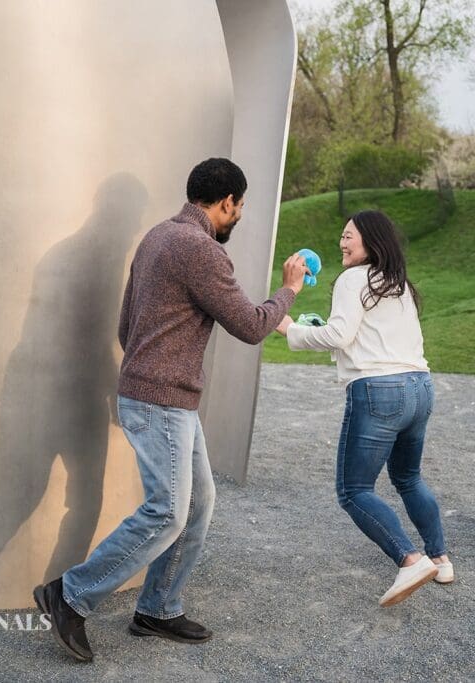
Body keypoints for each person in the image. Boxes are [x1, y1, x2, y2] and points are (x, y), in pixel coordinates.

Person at [34, 158, 309, 661]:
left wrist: (148, 366)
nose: (239, 215)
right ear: (227, 201)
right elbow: (250, 325)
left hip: (155, 394)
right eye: (240, 207)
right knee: (167, 512)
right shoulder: (199, 249)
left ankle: (158, 608)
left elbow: (125, 327)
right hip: (163, 399)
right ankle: (69, 595)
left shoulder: (157, 237)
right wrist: (289, 288)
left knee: (198, 504)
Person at [275, 210, 452, 607]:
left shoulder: (353, 278)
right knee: (408, 478)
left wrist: (290, 329)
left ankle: (410, 559)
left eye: (349, 236)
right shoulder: (397, 283)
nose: (342, 242)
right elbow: (361, 338)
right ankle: (439, 557)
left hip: (379, 392)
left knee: (354, 490)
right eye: (342, 236)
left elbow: (340, 333)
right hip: (420, 387)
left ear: (371, 241)